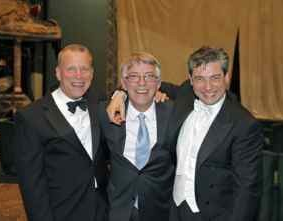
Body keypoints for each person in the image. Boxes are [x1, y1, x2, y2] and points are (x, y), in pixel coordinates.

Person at [108, 46, 263, 221]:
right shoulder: (185, 95)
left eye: (215, 78)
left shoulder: (244, 124)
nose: (207, 87)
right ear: (190, 79)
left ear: (226, 77)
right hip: (174, 210)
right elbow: (143, 84)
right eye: (199, 79)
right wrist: (119, 95)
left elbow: (247, 190)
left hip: (213, 215)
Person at [14, 44, 108, 221]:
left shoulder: (100, 104)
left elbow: (130, 90)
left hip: (102, 212)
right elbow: (32, 186)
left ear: (92, 73)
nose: (79, 76)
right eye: (71, 69)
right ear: (58, 73)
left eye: (84, 69)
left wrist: (122, 95)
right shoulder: (31, 117)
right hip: (62, 214)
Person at [97, 52, 175, 221]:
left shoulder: (174, 113)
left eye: (149, 76)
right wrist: (118, 94)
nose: (142, 83)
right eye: (134, 76)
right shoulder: (106, 113)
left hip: (160, 212)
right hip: (118, 211)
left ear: (159, 83)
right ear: (124, 82)